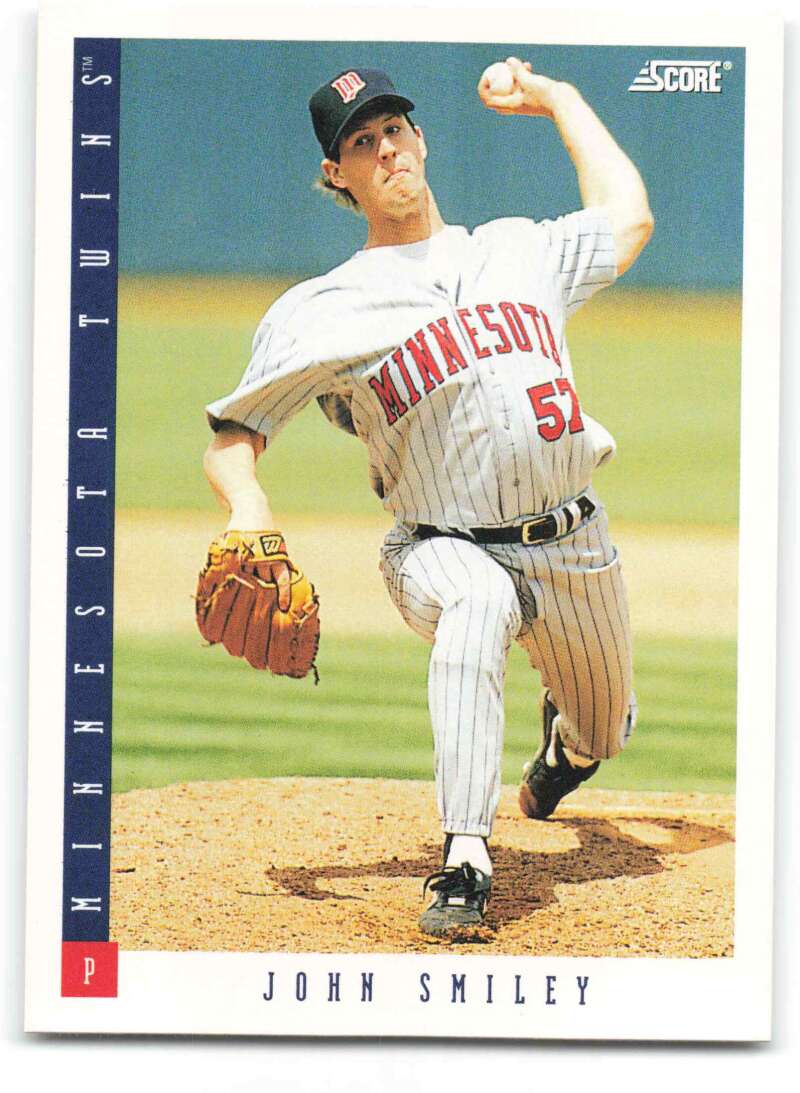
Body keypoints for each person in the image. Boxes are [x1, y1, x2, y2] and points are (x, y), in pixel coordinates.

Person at [202, 60, 653, 938]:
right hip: (439, 544)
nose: (385, 150)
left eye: (393, 130)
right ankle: (465, 859)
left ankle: (568, 740)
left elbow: (629, 216)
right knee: (478, 604)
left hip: (572, 540)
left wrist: (560, 99)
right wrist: (246, 506)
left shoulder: (517, 247)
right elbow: (234, 437)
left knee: (606, 731)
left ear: (420, 138)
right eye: (360, 143)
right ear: (338, 175)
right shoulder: (321, 310)